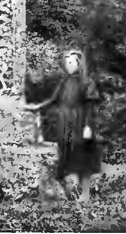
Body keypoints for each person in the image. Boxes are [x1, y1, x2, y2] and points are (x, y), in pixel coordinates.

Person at [23, 47, 101, 200]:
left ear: (79, 63)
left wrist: (87, 126)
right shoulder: (64, 82)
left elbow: (90, 107)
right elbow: (53, 100)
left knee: (80, 155)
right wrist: (35, 107)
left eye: (72, 62)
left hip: (79, 123)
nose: (69, 65)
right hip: (65, 124)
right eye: (67, 62)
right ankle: (70, 191)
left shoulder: (87, 83)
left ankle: (84, 193)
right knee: (65, 153)